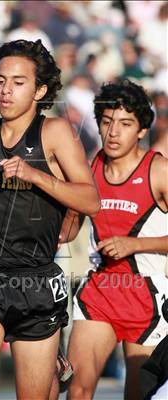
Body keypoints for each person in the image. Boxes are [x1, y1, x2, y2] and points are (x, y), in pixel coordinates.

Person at [0, 39, 100, 399]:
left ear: (40, 90)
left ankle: (51, 365)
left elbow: (90, 199)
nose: (6, 90)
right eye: (0, 81)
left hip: (34, 283)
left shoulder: (55, 133)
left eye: (18, 82)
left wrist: (36, 176)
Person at [56, 79, 168, 400]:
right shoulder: (89, 168)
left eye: (125, 124)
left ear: (142, 130)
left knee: (139, 394)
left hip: (148, 294)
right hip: (101, 291)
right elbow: (67, 231)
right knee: (78, 388)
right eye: (106, 122)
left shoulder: (158, 171)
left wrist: (136, 244)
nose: (113, 132)